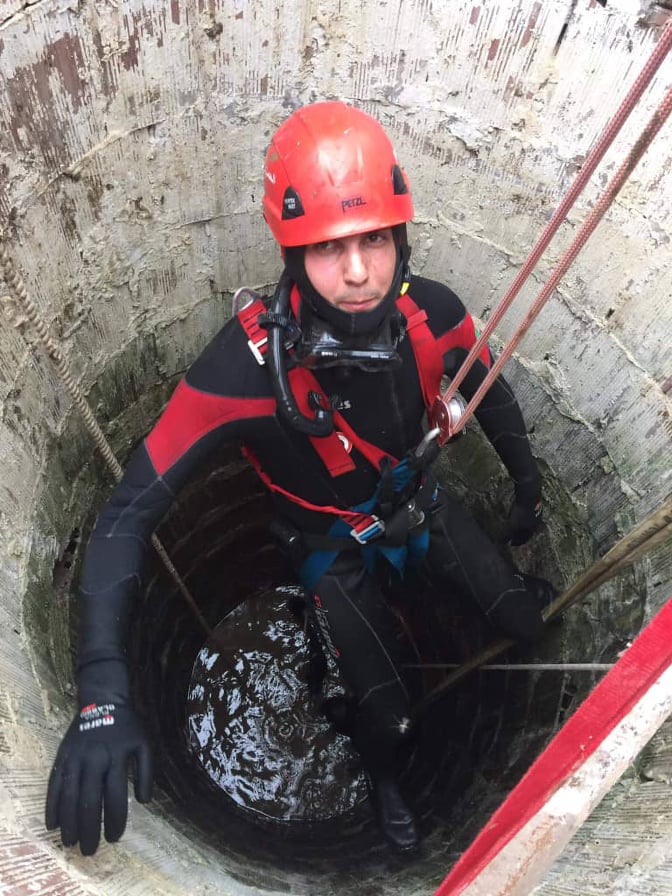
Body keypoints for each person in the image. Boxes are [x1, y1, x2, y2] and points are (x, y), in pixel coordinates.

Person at [45, 101, 555, 856]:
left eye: (374, 238)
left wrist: (527, 488)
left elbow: (491, 390)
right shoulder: (241, 373)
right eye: (327, 247)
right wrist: (101, 689)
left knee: (524, 623)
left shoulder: (432, 315)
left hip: (420, 504)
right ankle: (383, 779)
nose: (358, 272)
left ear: (400, 236)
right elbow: (127, 516)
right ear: (291, 252)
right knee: (391, 714)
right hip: (331, 548)